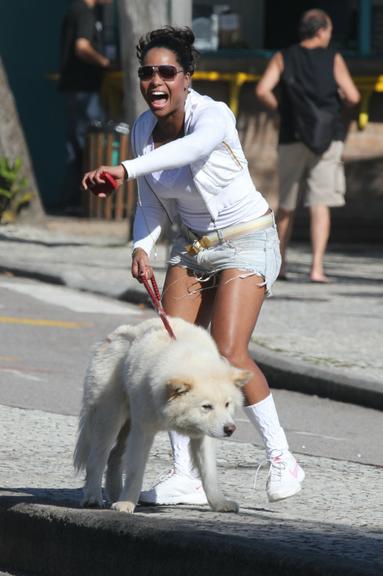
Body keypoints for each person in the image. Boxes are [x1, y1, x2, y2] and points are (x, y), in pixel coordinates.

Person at [82, 26, 304, 505]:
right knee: (172, 357)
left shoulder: (214, 115)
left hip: (246, 238)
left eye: (167, 72)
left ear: (186, 78)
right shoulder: (143, 129)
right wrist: (142, 246)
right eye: (147, 73)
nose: (155, 81)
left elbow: (191, 151)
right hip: (191, 244)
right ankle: (186, 475)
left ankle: (283, 458)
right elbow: (150, 203)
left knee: (228, 349)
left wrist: (122, 169)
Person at [256, 9, 360, 282]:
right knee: (320, 203)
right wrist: (340, 106)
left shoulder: (283, 57)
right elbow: (353, 95)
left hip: (292, 135)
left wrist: (282, 110)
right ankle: (316, 268)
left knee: (287, 205)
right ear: (321, 30)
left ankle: (280, 265)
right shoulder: (333, 58)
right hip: (326, 137)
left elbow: (262, 90)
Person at [59, 0, 111, 208]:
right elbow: (82, 47)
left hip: (76, 88)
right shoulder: (84, 13)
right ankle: (90, 201)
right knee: (91, 143)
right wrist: (104, 62)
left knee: (76, 145)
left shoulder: (74, 10)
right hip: (84, 89)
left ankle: (71, 199)